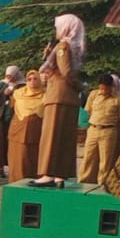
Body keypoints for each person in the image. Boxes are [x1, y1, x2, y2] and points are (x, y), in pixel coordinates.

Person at [33, 13, 85, 186]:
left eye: (58, 27)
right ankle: (60, 175)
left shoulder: (63, 45)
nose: (56, 30)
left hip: (58, 96)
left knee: (52, 136)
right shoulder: (76, 46)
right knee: (64, 137)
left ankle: (47, 173)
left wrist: (79, 86)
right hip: (69, 98)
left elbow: (66, 72)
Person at [79, 70, 120, 184]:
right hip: (93, 129)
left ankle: (102, 183)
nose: (104, 90)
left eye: (106, 88)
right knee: (88, 157)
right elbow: (89, 110)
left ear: (111, 87)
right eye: (102, 88)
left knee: (105, 160)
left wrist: (109, 121)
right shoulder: (93, 95)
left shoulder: (118, 99)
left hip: (109, 131)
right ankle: (84, 180)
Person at [6, 69, 46, 181]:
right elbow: (12, 108)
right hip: (17, 130)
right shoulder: (18, 94)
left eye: (35, 79)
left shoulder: (45, 95)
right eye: (29, 79)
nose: (32, 81)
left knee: (31, 159)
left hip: (36, 132)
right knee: (17, 159)